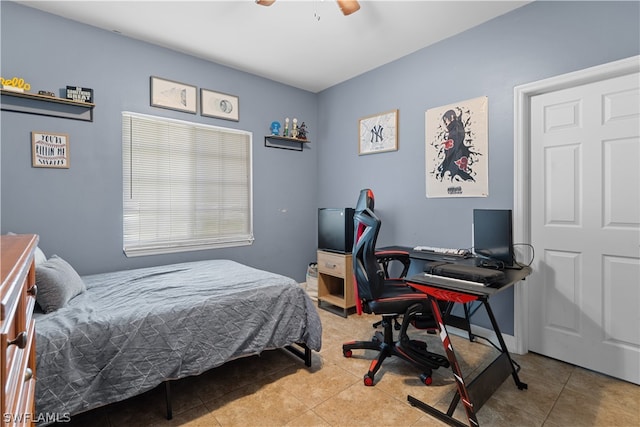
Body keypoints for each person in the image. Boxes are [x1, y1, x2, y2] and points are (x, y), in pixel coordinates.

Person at [437, 109, 474, 181]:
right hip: (459, 158)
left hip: (456, 159)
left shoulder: (454, 129)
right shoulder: (457, 128)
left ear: (451, 117)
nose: (445, 123)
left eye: (446, 120)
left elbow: (451, 149)